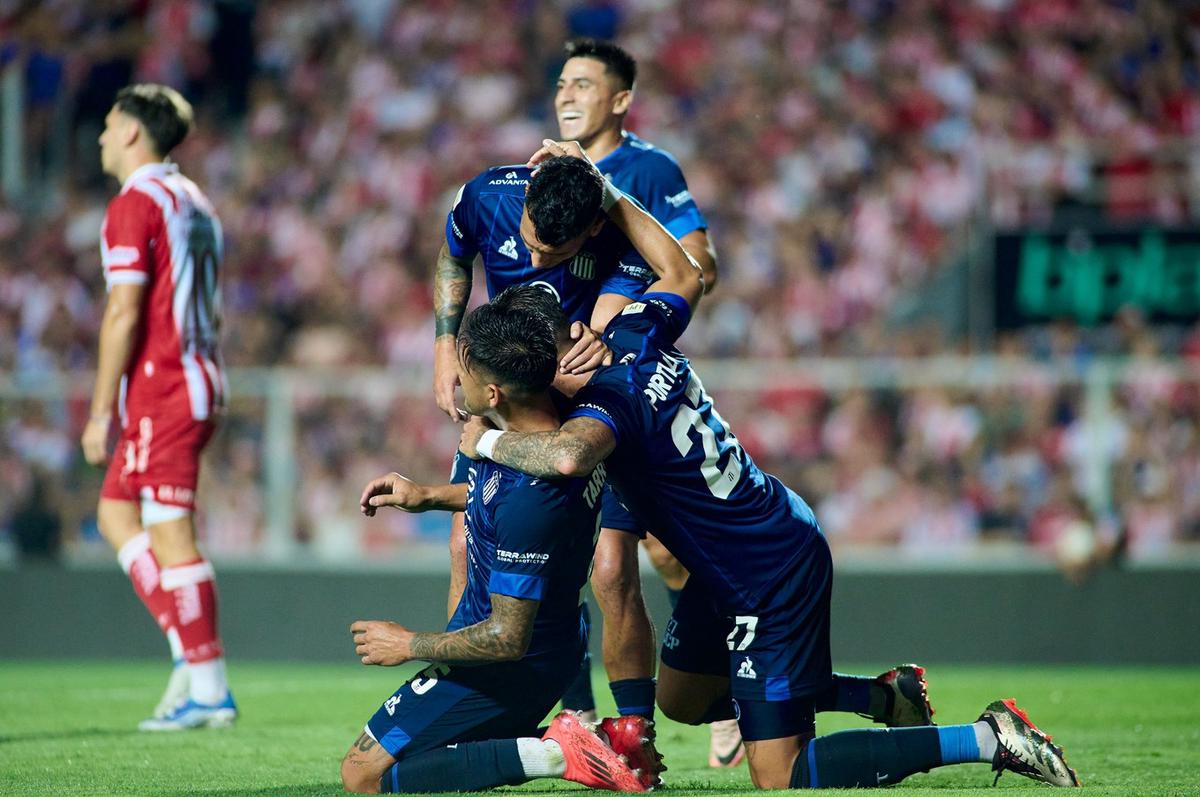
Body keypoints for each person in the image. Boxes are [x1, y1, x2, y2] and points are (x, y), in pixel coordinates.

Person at [460, 141, 1080, 790]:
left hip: (768, 570)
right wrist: (609, 194)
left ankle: (989, 736)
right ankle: (880, 698)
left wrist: (485, 443)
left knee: (779, 774)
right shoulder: (637, 328)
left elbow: (566, 455)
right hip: (736, 551)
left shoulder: (603, 405)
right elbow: (683, 271)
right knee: (683, 699)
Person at [342, 288, 654, 794]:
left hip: (510, 665)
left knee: (363, 776)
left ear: (492, 394)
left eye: (464, 371)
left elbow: (507, 637)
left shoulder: (529, 496)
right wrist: (428, 496)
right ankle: (597, 743)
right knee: (434, 759)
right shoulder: (544, 433)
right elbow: (500, 495)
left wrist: (407, 643)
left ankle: (557, 751)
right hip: (553, 643)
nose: (454, 380)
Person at [431, 138, 662, 738]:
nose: (533, 263)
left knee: (610, 570)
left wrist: (603, 331)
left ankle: (636, 729)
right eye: (528, 241)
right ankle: (480, 694)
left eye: (551, 251)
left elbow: (660, 276)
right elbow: (454, 257)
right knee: (464, 546)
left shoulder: (616, 224)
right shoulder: (485, 194)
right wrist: (443, 345)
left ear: (588, 231)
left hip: (588, 403)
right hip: (516, 395)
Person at [551, 37, 735, 759]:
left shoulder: (648, 168)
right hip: (569, 396)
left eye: (584, 85)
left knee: (652, 554)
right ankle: (605, 725)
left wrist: (623, 323)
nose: (566, 96)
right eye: (561, 84)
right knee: (592, 566)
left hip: (627, 391)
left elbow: (702, 267)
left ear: (621, 99)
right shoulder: (547, 173)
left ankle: (716, 684)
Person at [81, 83, 234, 730]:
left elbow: (124, 308)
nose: (99, 136)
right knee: (116, 512)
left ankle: (208, 686)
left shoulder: (134, 204)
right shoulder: (195, 200)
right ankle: (187, 650)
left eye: (110, 124)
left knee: (171, 530)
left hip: (164, 385)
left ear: (133, 133)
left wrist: (97, 411)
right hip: (196, 372)